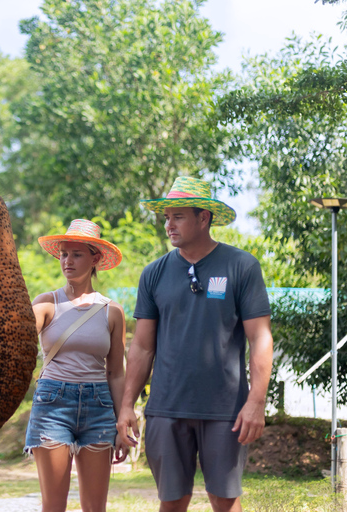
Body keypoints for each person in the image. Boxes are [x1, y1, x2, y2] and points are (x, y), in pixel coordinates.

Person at [116, 177, 273, 512]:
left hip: (225, 410)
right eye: (167, 218)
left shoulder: (241, 266)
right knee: (171, 501)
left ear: (204, 218)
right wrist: (128, 405)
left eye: (178, 217)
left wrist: (257, 401)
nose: (169, 225)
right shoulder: (154, 273)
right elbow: (142, 347)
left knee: (225, 500)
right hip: (166, 407)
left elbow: (260, 336)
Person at [25, 219, 128, 512]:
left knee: (96, 507)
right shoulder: (46, 304)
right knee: (54, 505)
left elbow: (116, 373)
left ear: (95, 258)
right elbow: (18, 348)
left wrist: (122, 422)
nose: (67, 261)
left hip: (99, 405)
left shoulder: (112, 311)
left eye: (77, 254)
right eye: (64, 254)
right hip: (53, 403)